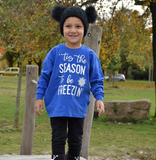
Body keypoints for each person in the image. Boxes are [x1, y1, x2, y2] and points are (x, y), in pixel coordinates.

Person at [35, 4, 105, 160]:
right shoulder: (55, 52)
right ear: (62, 28)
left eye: (78, 26)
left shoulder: (90, 55)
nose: (73, 30)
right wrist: (39, 97)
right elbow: (44, 77)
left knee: (75, 142)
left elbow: (96, 80)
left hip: (78, 106)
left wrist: (99, 98)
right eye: (68, 26)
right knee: (58, 139)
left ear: (85, 29)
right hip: (57, 105)